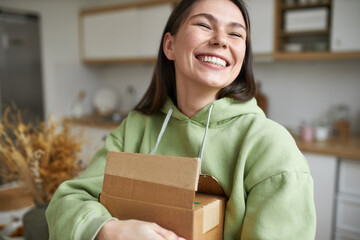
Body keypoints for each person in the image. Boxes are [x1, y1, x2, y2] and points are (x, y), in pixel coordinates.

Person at [46, 0, 316, 239]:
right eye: (205, 25)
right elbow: (66, 202)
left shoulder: (270, 147)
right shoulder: (136, 128)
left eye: (235, 34)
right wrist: (108, 230)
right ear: (170, 45)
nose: (221, 40)